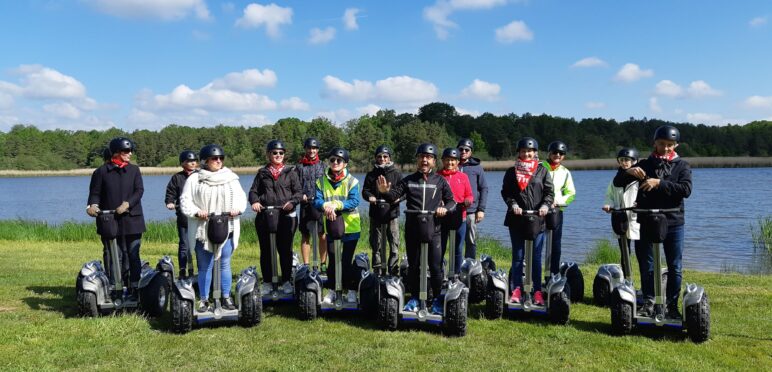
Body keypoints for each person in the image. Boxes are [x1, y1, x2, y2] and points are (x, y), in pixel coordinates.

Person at [614, 126, 692, 319]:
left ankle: (671, 306)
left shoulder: (682, 165)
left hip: (673, 221)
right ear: (654, 143)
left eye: (669, 145)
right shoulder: (645, 164)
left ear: (675, 145)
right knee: (646, 264)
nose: (665, 148)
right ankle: (648, 302)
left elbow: (686, 190)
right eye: (662, 144)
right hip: (647, 221)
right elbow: (617, 182)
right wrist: (629, 172)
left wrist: (659, 183)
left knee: (675, 266)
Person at [377, 143, 456, 315]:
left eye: (428, 157)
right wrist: (384, 192)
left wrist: (445, 209)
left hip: (434, 229)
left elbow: (452, 201)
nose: (424, 160)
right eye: (421, 157)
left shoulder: (440, 181)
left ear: (434, 161)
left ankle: (436, 299)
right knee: (414, 266)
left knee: (435, 267)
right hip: (413, 228)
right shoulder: (408, 180)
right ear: (417, 160)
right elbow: (393, 197)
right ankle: (413, 298)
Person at [179, 144, 247, 312]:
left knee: (225, 263)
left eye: (220, 158)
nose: (218, 161)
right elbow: (185, 201)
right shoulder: (195, 179)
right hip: (203, 230)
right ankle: (203, 300)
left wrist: (237, 209)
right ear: (205, 160)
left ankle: (225, 297)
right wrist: (196, 212)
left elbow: (241, 198)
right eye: (214, 158)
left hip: (227, 227)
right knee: (205, 266)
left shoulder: (231, 178)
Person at [86, 137, 146, 300]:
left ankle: (134, 285)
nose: (130, 153)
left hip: (133, 219)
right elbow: (95, 193)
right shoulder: (101, 172)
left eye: (130, 150)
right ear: (116, 153)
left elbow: (139, 191)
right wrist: (92, 206)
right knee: (115, 255)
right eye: (126, 151)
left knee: (133, 254)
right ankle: (114, 287)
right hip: (110, 220)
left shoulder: (134, 170)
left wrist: (128, 204)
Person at [501, 137, 553, 305]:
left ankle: (537, 290)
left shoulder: (542, 171)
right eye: (523, 151)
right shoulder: (511, 171)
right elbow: (506, 192)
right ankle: (517, 289)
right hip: (517, 219)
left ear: (535, 153)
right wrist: (513, 204)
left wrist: (545, 205)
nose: (526, 153)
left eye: (529, 151)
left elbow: (549, 193)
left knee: (536, 257)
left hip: (538, 219)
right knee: (518, 256)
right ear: (519, 153)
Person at [249, 140, 302, 296]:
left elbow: (298, 192)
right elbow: (253, 192)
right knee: (266, 250)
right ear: (268, 154)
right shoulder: (262, 173)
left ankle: (285, 280)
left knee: (285, 250)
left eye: (281, 153)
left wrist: (292, 202)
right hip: (265, 216)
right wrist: (255, 202)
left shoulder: (290, 172)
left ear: (284, 155)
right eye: (274, 153)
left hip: (285, 217)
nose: (278, 155)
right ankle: (267, 281)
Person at [313, 148, 361, 304]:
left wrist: (335, 206)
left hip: (351, 227)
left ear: (345, 163)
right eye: (332, 160)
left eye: (339, 160)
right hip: (333, 228)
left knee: (346, 261)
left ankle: (351, 289)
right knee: (333, 260)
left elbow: (354, 202)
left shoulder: (352, 181)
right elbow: (317, 201)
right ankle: (334, 290)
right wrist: (326, 205)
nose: (335, 163)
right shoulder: (321, 181)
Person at [362, 145, 402, 275]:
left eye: (385, 156)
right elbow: (365, 191)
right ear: (376, 158)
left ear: (389, 158)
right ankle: (377, 269)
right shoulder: (371, 174)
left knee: (394, 243)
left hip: (392, 213)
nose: (382, 159)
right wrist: (370, 197)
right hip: (376, 213)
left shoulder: (396, 173)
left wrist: (398, 199)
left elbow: (404, 191)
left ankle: (393, 269)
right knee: (376, 243)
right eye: (379, 156)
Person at [541, 140, 576, 275]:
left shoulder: (565, 172)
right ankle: (534, 275)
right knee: (537, 243)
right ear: (549, 153)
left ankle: (553, 274)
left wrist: (558, 201)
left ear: (564, 156)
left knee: (555, 245)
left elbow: (571, 193)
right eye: (555, 152)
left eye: (561, 153)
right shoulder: (540, 167)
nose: (557, 155)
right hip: (539, 210)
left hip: (556, 211)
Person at [438, 148, 473, 275]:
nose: (450, 163)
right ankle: (439, 273)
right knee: (439, 248)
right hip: (441, 217)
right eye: (447, 160)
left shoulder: (463, 177)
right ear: (443, 161)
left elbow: (469, 195)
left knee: (457, 248)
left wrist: (468, 201)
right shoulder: (437, 176)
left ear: (458, 162)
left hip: (460, 216)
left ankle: (456, 274)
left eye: (453, 160)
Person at [165, 150, 199, 278]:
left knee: (200, 246)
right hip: (183, 216)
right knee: (184, 244)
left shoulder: (201, 176)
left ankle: (201, 270)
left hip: (199, 217)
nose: (192, 163)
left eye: (194, 161)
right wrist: (170, 202)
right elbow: (170, 193)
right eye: (189, 161)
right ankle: (183, 270)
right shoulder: (177, 177)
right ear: (182, 163)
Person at [297, 137, 327, 271]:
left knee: (322, 235)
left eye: (314, 148)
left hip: (320, 205)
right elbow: (295, 185)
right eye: (309, 148)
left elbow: (328, 184)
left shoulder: (323, 166)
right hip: (305, 204)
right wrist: (300, 195)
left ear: (318, 150)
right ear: (305, 149)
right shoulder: (299, 167)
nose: (311, 151)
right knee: (305, 235)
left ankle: (323, 264)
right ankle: (306, 265)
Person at [457, 138, 488, 264]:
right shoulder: (451, 164)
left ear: (471, 152)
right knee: (455, 240)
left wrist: (481, 209)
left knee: (470, 240)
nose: (463, 152)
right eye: (461, 149)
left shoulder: (477, 168)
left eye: (466, 150)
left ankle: (470, 266)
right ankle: (456, 267)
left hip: (471, 211)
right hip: (453, 210)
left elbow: (484, 188)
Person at [602, 148, 640, 250]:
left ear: (634, 161)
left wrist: (640, 203)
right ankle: (625, 266)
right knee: (624, 250)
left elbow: (646, 195)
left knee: (641, 250)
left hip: (637, 218)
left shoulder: (640, 178)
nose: (624, 163)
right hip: (620, 217)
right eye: (621, 160)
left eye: (626, 160)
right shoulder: (615, 180)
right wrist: (608, 204)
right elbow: (609, 195)